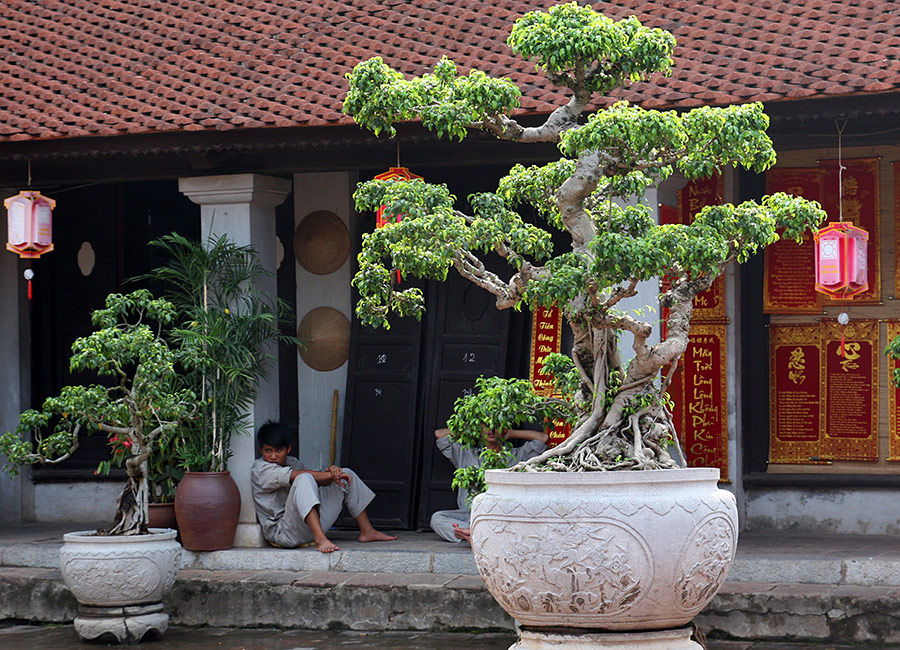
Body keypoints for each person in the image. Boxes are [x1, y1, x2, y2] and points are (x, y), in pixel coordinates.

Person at [250, 421, 397, 553]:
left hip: (305, 528)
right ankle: (321, 539)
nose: (273, 456)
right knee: (304, 478)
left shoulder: (292, 462)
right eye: (268, 451)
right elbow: (300, 477)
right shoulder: (260, 469)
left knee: (346, 474)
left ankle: (367, 531)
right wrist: (329, 475)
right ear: (261, 450)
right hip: (284, 534)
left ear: (288, 449)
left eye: (278, 451)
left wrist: (333, 473)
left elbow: (318, 481)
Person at [430, 425, 548, 544]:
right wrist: (471, 430)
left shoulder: (517, 455)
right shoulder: (466, 455)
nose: (491, 430)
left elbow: (542, 438)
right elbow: (440, 434)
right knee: (437, 518)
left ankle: (474, 536)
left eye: (496, 426)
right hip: (470, 514)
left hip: (502, 515)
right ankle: (477, 534)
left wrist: (511, 433)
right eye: (486, 426)